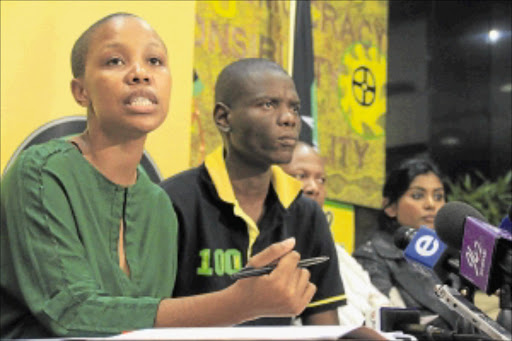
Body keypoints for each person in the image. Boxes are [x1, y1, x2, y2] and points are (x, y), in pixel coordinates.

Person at [0, 13, 316, 338]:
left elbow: (145, 327)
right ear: (81, 91)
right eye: (115, 61)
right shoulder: (41, 173)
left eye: (154, 61)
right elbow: (72, 313)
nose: (140, 74)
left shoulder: (159, 206)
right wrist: (237, 303)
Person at [160, 58, 346, 326]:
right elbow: (146, 318)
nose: (288, 119)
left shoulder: (306, 213)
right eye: (268, 105)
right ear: (224, 118)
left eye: (294, 108)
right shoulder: (172, 201)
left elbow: (323, 325)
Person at [281, 141, 392, 326]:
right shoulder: (261, 244)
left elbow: (379, 304)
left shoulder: (335, 250)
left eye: (321, 179)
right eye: (301, 176)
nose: (314, 188)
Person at [352, 158, 465, 330]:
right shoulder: (371, 256)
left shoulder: (450, 256)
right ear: (390, 206)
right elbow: (383, 322)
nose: (431, 204)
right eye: (418, 195)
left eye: (438, 196)